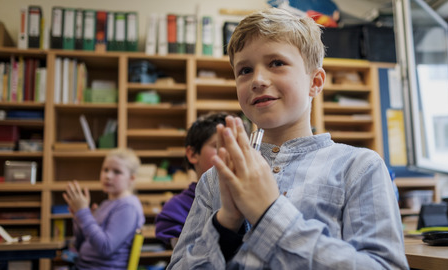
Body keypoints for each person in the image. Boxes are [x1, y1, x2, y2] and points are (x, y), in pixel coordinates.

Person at [167, 8, 408, 269]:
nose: (257, 80)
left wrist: (269, 213)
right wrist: (225, 223)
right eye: (244, 70)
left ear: (315, 82)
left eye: (276, 63)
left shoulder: (360, 167)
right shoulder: (215, 180)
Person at [154, 112, 247, 248]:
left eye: (237, 145)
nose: (232, 152)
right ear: (192, 154)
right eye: (219, 146)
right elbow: (189, 256)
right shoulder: (176, 208)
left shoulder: (250, 195)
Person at [63, 148, 145, 270]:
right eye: (105, 170)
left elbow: (105, 248)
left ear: (131, 178)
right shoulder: (106, 203)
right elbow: (80, 245)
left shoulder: (128, 206)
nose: (108, 176)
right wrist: (79, 218)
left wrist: (84, 214)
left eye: (117, 172)